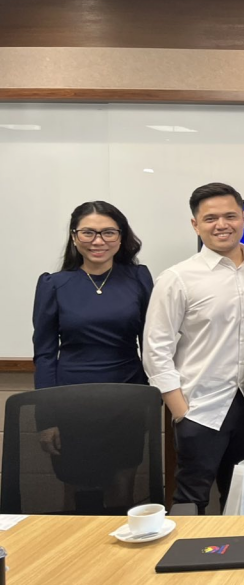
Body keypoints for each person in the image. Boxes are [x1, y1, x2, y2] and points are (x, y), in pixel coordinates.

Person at [143, 182, 244, 514]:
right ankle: (188, 550)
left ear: (243, 218)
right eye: (211, 218)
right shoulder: (177, 278)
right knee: (190, 499)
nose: (222, 225)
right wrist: (179, 409)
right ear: (195, 224)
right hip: (199, 407)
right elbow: (156, 348)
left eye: (230, 216)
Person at [32, 200, 153, 507]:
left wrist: (155, 396)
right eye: (88, 232)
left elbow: (152, 343)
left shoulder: (138, 278)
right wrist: (45, 418)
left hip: (127, 398)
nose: (98, 241)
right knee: (77, 495)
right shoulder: (54, 284)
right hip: (71, 403)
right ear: (74, 237)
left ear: (121, 237)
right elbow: (45, 354)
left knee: (122, 492)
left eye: (108, 232)